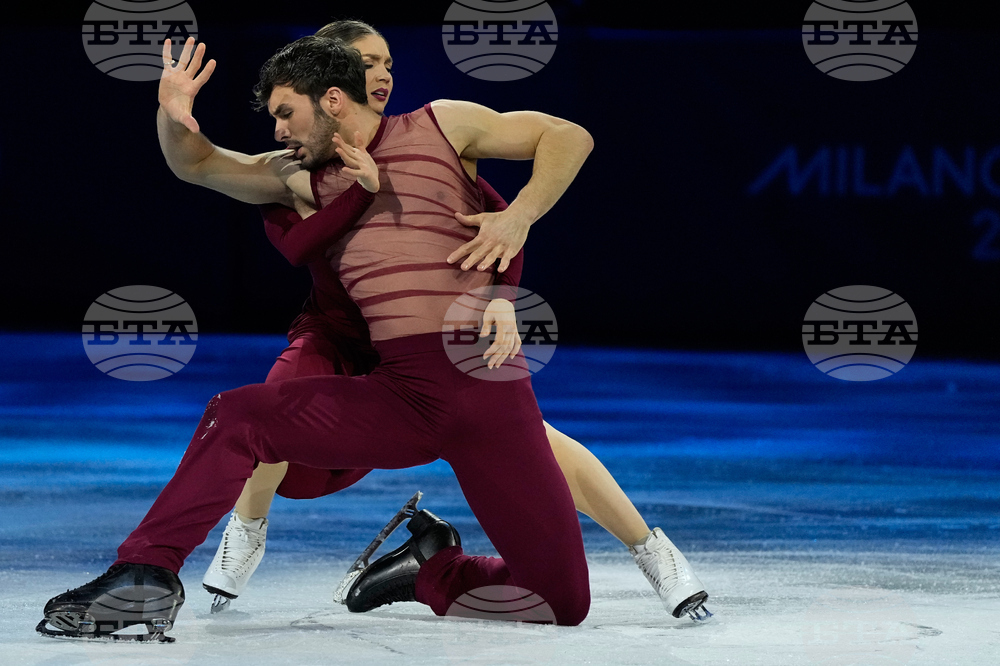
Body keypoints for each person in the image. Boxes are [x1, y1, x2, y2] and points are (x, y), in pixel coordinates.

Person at [202, 19, 710, 623]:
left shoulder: (433, 136)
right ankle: (247, 527)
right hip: (341, 334)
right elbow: (240, 198)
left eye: (387, 61)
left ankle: (651, 550)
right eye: (366, 63)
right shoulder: (295, 164)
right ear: (328, 82)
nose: (383, 73)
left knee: (538, 440)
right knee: (275, 401)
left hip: (432, 342)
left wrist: (502, 291)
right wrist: (176, 113)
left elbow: (499, 225)